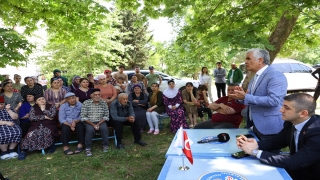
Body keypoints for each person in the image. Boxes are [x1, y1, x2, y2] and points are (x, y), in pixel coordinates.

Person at [236, 93, 320, 180]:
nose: (281, 110)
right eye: (283, 106)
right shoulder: (290, 122)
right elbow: (276, 141)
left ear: (303, 113)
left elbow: (294, 162)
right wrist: (255, 144)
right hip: (297, 170)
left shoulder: (317, 133)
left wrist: (255, 152)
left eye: (286, 108)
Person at [229, 48, 288, 141]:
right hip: (254, 125)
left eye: (248, 59)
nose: (245, 62)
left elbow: (274, 101)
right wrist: (240, 97)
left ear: (260, 60)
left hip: (269, 128)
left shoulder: (275, 75)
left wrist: (246, 96)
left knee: (268, 155)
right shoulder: (255, 76)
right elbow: (252, 99)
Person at [81, 89, 110, 156]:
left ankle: (105, 145)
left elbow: (106, 115)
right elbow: (83, 116)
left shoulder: (103, 103)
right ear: (91, 95)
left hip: (101, 121)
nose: (97, 96)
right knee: (90, 130)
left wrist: (99, 123)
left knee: (104, 128)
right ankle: (88, 148)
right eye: (95, 95)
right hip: (89, 122)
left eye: (99, 94)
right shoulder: (86, 103)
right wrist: (93, 124)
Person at [0, 96, 22, 160]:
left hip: (11, 125)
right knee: (3, 134)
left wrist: (8, 110)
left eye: (2, 104)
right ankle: (4, 152)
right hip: (2, 125)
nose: (0, 106)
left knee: (17, 132)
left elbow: (15, 117)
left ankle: (11, 150)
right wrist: (6, 123)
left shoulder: (8, 108)